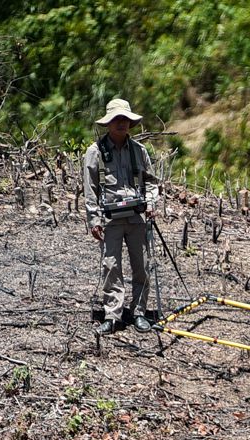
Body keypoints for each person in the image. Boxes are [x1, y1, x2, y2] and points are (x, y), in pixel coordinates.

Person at [84, 98, 160, 334]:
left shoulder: (139, 151)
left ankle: (139, 312)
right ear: (108, 123)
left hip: (137, 219)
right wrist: (94, 220)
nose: (121, 123)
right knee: (111, 267)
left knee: (142, 266)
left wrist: (150, 203)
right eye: (117, 119)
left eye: (124, 119)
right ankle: (112, 315)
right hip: (111, 220)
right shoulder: (95, 152)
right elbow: (90, 189)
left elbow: (151, 182)